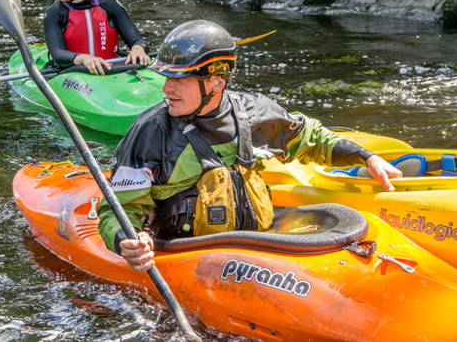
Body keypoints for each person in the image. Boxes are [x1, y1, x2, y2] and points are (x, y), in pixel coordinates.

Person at [97, 19, 403, 272]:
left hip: (256, 248)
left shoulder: (255, 113)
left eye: (180, 79)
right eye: (166, 78)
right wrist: (126, 240)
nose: (166, 88)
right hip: (185, 254)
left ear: (216, 81)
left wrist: (367, 157)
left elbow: (312, 138)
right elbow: (116, 209)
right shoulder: (151, 131)